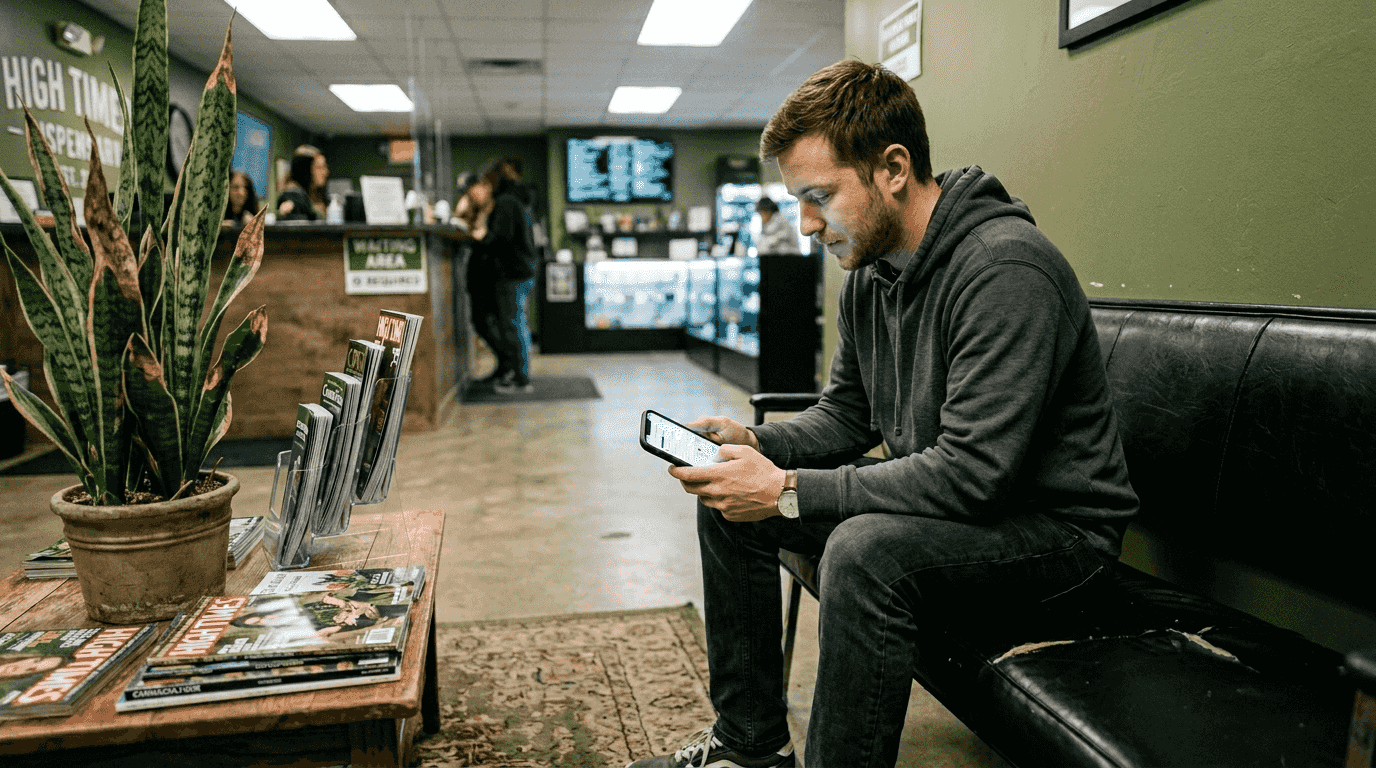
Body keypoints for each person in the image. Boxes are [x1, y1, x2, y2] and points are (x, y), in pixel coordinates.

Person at [629, 60, 1138, 768]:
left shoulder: (1006, 270)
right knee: (728, 505)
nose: (806, 226)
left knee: (866, 552)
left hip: (1056, 538)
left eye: (819, 197)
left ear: (892, 168)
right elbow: (845, 419)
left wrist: (782, 489)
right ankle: (747, 751)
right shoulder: (870, 273)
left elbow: (973, 476)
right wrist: (756, 443)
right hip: (963, 510)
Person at [469, 160, 539, 394]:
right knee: (512, 323)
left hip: (513, 273)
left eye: (486, 182)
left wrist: (481, 237)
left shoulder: (507, 202)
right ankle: (514, 373)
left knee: (513, 324)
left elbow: (500, 239)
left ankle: (521, 380)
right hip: (520, 270)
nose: (484, 187)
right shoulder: (517, 198)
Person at [276, 145, 329, 221]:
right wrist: (288, 207)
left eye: (325, 167)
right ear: (305, 170)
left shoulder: (315, 194)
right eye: (319, 168)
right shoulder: (293, 195)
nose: (325, 172)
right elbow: (286, 208)